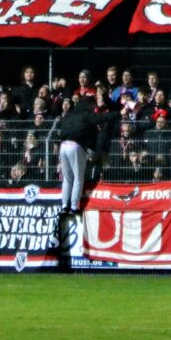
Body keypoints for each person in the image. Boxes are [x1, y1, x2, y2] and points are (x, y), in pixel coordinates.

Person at [55, 95, 119, 248]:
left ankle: (64, 205)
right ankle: (75, 207)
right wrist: (117, 114)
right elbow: (101, 119)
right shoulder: (86, 115)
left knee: (67, 179)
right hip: (76, 146)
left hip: (63, 146)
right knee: (78, 178)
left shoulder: (70, 115)